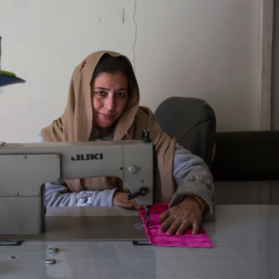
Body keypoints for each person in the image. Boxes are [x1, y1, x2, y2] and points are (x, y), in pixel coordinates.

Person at [40, 51, 215, 236]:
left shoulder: (143, 127)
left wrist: (192, 202)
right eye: (101, 93)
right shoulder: (55, 137)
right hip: (81, 236)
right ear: (82, 92)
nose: (110, 105)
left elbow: (193, 168)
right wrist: (107, 198)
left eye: (120, 95)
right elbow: (48, 200)